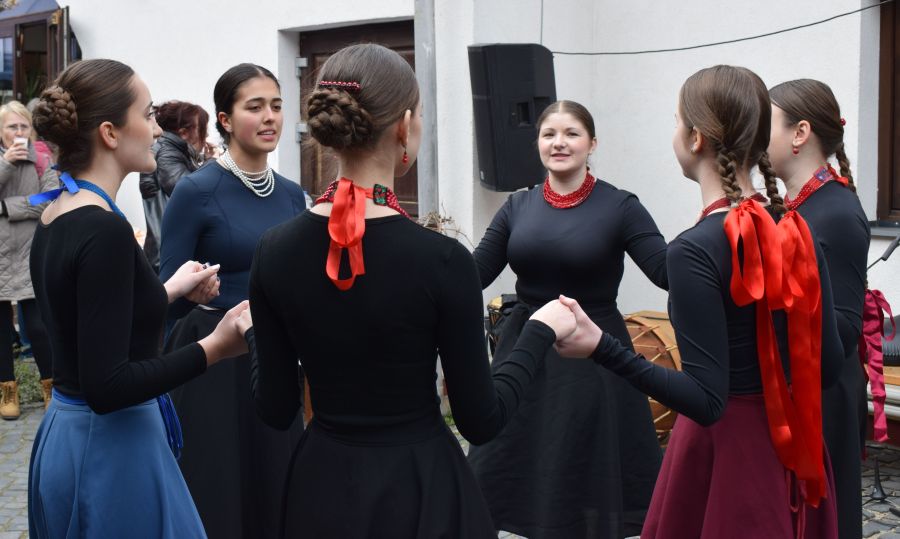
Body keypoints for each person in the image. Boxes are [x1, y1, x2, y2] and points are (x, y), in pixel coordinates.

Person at [231, 42, 578, 539]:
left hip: (321, 488)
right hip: (420, 489)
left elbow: (276, 408)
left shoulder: (274, 250)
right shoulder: (442, 260)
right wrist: (538, 331)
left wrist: (252, 336)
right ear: (405, 126)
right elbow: (480, 420)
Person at [555, 65, 844, 538]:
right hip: (794, 454)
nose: (674, 132)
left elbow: (707, 400)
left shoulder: (693, 250)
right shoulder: (796, 229)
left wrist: (601, 346)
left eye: (676, 121)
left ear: (695, 139)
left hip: (726, 463)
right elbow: (827, 366)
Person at [26, 58, 249, 539]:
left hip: (71, 435)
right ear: (110, 133)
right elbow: (109, 385)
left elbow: (91, 319)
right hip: (110, 451)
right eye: (148, 115)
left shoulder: (58, 211)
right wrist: (216, 346)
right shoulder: (102, 229)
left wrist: (168, 292)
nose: (157, 129)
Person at [466, 99, 669, 538]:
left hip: (593, 354)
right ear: (538, 143)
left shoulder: (620, 206)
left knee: (581, 476)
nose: (559, 142)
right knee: (500, 468)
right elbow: (472, 274)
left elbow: (666, 271)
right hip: (526, 352)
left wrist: (719, 236)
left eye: (572, 133)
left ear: (592, 143)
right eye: (549, 134)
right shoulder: (517, 206)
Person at [159, 63, 307, 539]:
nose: (270, 117)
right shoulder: (195, 191)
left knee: (276, 482)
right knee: (217, 488)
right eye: (254, 107)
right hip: (212, 358)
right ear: (225, 119)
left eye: (277, 106)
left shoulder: (291, 196)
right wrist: (192, 292)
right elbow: (166, 294)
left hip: (272, 353)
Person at [768, 79, 870, 539]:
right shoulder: (796, 207)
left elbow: (844, 329)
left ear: (800, 133)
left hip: (823, 397)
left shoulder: (837, 211)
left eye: (766, 125)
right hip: (798, 388)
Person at [0, 100, 57, 418]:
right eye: (12, 126)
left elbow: (49, 197)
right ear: (1, 131)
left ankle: (51, 385)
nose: (19, 132)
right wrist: (6, 164)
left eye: (24, 126)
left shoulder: (42, 159)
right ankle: (7, 390)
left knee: (38, 327)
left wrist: (7, 207)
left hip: (30, 252)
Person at [139, 100, 211, 272]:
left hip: (166, 253)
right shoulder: (167, 154)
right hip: (170, 257)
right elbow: (191, 193)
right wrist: (212, 164)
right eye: (202, 129)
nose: (206, 135)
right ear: (184, 133)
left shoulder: (169, 150)